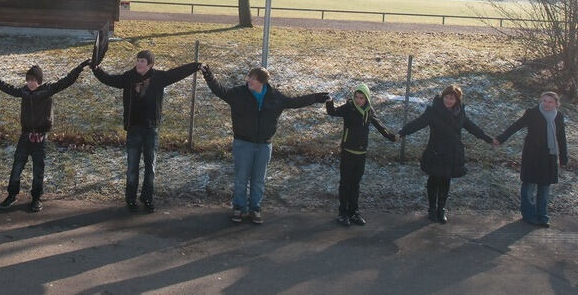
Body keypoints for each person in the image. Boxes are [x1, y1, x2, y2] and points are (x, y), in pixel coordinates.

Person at [200, 64, 329, 224]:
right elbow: (219, 90)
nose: (249, 81)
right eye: (249, 78)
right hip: (243, 143)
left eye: (252, 79)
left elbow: (295, 102)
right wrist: (208, 75)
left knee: (258, 180)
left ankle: (255, 208)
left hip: (264, 145)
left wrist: (316, 98)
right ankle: (239, 207)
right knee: (241, 178)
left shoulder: (275, 97)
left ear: (262, 82)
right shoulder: (239, 93)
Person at [91, 51, 201, 213]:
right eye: (137, 60)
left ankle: (147, 198)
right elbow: (109, 79)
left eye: (142, 61)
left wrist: (196, 66)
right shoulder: (128, 78)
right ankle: (130, 199)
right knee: (132, 166)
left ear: (150, 64)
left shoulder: (158, 77)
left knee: (150, 166)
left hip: (151, 129)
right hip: (134, 129)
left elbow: (177, 73)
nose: (138, 63)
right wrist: (95, 68)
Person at [0, 60, 91, 212]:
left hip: (41, 137)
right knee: (17, 166)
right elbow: (8, 88)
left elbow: (67, 81)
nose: (30, 83)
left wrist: (80, 67)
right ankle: (12, 195)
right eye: (28, 80)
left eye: (33, 80)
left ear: (39, 81)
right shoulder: (24, 92)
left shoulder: (48, 90)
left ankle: (36, 198)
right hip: (25, 135)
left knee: (38, 169)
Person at [397, 84, 494, 223]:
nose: (449, 101)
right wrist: (401, 133)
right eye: (447, 97)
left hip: (452, 152)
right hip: (436, 151)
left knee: (446, 180)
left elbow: (473, 128)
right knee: (434, 179)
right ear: (443, 97)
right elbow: (417, 123)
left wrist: (489, 139)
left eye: (452, 99)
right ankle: (432, 208)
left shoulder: (460, 113)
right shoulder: (433, 111)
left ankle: (441, 209)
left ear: (457, 101)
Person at [325, 83, 397, 226]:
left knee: (355, 184)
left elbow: (379, 125)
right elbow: (332, 112)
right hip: (348, 151)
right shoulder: (349, 108)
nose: (359, 100)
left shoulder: (369, 111)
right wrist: (329, 101)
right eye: (357, 97)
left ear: (367, 99)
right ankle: (343, 213)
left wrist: (392, 136)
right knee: (345, 183)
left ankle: (354, 212)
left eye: (362, 98)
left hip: (361, 152)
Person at [494, 91, 569, 228]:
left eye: (550, 102)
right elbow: (516, 126)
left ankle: (542, 216)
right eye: (544, 101)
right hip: (532, 155)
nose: (546, 104)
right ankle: (529, 215)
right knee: (529, 185)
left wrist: (564, 158)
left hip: (549, 156)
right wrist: (501, 138)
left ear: (556, 104)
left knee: (544, 188)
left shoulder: (559, 117)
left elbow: (561, 138)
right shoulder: (532, 113)